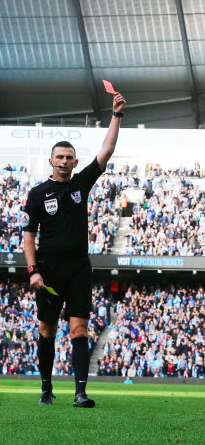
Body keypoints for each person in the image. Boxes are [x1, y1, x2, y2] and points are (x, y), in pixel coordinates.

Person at [23, 91, 127, 407]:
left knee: (79, 329)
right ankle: (45, 388)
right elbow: (28, 234)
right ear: (52, 161)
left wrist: (116, 115)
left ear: (75, 161)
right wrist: (33, 270)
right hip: (49, 269)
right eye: (60, 157)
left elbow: (106, 151)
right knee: (46, 329)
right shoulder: (38, 194)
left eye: (70, 157)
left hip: (79, 268)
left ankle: (80, 392)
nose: (65, 161)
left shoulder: (81, 184)